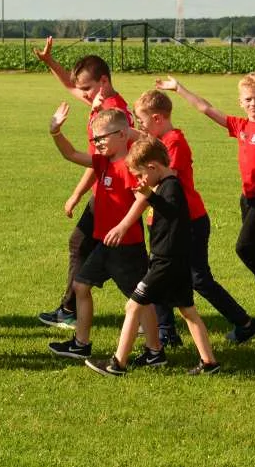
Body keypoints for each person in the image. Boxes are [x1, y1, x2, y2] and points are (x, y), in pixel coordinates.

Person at [158, 72, 255, 325]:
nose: (254, 104)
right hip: (248, 198)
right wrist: (179, 88)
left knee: (244, 247)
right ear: (241, 102)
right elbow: (206, 108)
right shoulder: (241, 126)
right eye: (249, 99)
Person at [134, 89, 255, 345]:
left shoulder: (174, 142)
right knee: (163, 273)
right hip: (166, 220)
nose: (141, 125)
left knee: (196, 278)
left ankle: (245, 323)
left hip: (188, 221)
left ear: (158, 118)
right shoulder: (162, 141)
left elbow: (162, 177)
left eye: (143, 120)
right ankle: (167, 331)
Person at [85, 137, 220, 376]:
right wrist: (151, 193)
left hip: (165, 262)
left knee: (133, 306)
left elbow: (171, 212)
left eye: (140, 175)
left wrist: (151, 196)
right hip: (174, 260)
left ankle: (117, 364)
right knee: (188, 310)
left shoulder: (171, 187)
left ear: (153, 167)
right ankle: (209, 363)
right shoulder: (166, 185)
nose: (139, 181)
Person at [33, 37, 135, 332]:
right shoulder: (104, 101)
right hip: (105, 188)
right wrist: (49, 61)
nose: (84, 94)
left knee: (108, 256)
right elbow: (71, 85)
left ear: (104, 81)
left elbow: (97, 161)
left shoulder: (111, 114)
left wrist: (76, 194)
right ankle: (70, 308)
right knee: (87, 247)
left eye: (89, 89)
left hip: (111, 192)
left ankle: (145, 310)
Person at [45, 106, 156, 364]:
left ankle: (154, 350)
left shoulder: (131, 166)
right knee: (81, 285)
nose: (98, 143)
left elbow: (143, 199)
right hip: (105, 243)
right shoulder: (102, 161)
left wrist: (123, 226)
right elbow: (71, 154)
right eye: (95, 139)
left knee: (139, 298)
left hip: (126, 246)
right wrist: (55, 131)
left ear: (122, 135)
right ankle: (81, 345)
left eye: (102, 138)